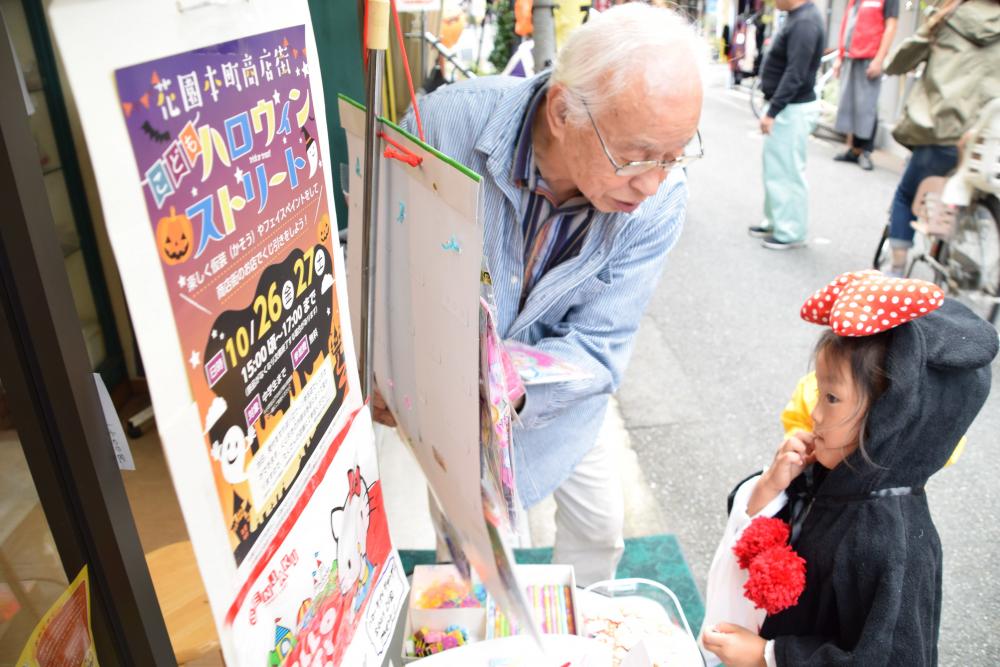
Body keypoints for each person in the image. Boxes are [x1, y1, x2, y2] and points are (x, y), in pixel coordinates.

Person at [375, 3, 704, 586]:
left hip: (564, 400)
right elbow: (386, 264)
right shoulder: (442, 128)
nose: (652, 183)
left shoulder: (660, 197)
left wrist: (502, 379)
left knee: (600, 531)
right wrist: (392, 368)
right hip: (451, 399)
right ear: (561, 111)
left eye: (673, 157)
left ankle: (585, 633)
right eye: (634, 156)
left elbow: (599, 347)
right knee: (471, 560)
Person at [698, 270, 998, 666]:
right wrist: (771, 486)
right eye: (818, 392)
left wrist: (769, 657)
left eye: (832, 398)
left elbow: (889, 659)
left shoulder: (892, 544)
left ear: (893, 418)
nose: (815, 413)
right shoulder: (827, 474)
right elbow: (761, 536)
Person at [881, 0, 1000, 276]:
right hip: (986, 140)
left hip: (941, 133)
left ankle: (896, 269)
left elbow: (902, 59)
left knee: (906, 194)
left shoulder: (949, 15)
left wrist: (889, 64)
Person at [747, 0, 825, 250]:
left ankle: (790, 231)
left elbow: (796, 73)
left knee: (788, 173)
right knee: (776, 169)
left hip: (793, 108)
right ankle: (775, 222)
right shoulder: (798, 16)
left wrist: (773, 111)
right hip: (788, 108)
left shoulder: (804, 22)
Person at [831, 0, 899, 171]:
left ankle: (865, 151)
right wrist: (840, 56)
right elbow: (847, 23)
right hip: (851, 54)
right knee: (851, 102)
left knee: (867, 104)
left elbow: (891, 26)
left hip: (870, 56)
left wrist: (879, 59)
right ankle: (854, 150)